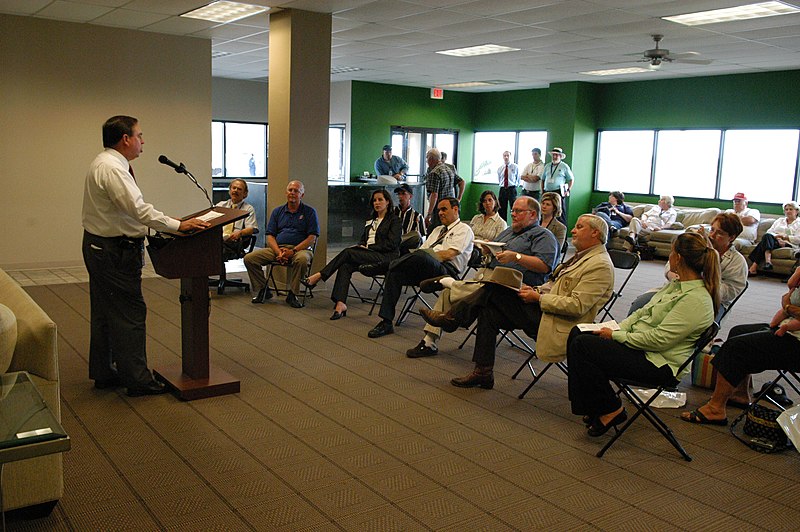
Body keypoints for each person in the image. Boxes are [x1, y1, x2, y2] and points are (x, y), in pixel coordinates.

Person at [82, 115, 209, 396]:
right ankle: (137, 380)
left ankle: (104, 372)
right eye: (139, 135)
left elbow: (129, 210)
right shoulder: (113, 169)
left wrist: (167, 220)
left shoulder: (105, 162)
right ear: (125, 139)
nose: (143, 141)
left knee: (105, 312)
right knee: (130, 314)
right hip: (114, 251)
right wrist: (177, 225)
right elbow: (138, 210)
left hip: (100, 246)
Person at [420, 215, 613, 389]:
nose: (573, 230)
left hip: (560, 323)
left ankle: (454, 317)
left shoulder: (599, 265)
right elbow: (554, 286)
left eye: (579, 227)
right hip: (545, 309)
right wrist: (535, 291)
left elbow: (576, 306)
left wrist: (538, 297)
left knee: (494, 290)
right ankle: (483, 372)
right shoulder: (582, 257)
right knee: (489, 311)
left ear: (595, 233)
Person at [567, 232, 719, 437]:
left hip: (658, 364)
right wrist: (618, 329)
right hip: (640, 347)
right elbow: (642, 313)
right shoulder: (677, 285)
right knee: (577, 332)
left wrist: (616, 337)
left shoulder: (696, 300)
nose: (669, 258)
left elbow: (659, 340)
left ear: (679, 258)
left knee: (583, 346)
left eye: (672, 253)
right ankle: (595, 405)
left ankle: (611, 408)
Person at [407, 197, 559, 358]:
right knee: (448, 293)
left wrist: (516, 257)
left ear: (533, 214)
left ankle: (449, 287)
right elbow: (495, 249)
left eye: (518, 211)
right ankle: (429, 341)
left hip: (515, 284)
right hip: (488, 274)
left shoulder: (543, 236)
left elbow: (545, 266)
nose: (513, 214)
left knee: (473, 289)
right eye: (513, 210)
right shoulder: (509, 231)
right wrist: (487, 248)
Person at [681, 267, 800, 425]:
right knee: (739, 331)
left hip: (796, 342)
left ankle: (715, 409)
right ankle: (740, 394)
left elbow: (788, 302)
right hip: (790, 329)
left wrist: (787, 307)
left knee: (736, 347)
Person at [368, 197, 473, 338]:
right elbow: (422, 250)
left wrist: (428, 255)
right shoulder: (437, 230)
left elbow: (449, 254)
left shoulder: (464, 229)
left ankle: (386, 265)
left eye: (444, 209)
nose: (440, 213)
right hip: (426, 269)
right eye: (438, 210)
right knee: (395, 273)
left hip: (446, 272)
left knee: (421, 256)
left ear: (455, 209)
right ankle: (386, 322)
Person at [303, 190, 401, 320]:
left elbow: (392, 244)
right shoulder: (371, 221)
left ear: (387, 202)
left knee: (348, 252)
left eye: (380, 200)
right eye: (374, 200)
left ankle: (319, 275)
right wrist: (361, 246)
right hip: (368, 255)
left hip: (385, 257)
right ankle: (340, 304)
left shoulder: (394, 220)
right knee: (345, 265)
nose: (376, 203)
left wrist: (367, 248)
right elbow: (362, 239)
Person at [628, 212, 747, 320]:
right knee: (639, 305)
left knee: (693, 321)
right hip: (676, 290)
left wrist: (698, 285)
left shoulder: (737, 262)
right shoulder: (697, 247)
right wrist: (674, 276)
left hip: (712, 301)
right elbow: (671, 265)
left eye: (719, 233)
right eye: (712, 230)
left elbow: (731, 291)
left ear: (732, 237)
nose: (712, 235)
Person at [245, 180, 320, 308]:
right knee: (249, 259)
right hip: (277, 248)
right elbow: (270, 236)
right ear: (286, 193)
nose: (292, 193)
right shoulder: (277, 211)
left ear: (302, 195)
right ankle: (264, 289)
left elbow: (312, 238)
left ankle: (293, 294)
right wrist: (279, 252)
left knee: (302, 260)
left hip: (300, 250)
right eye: (290, 190)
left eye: (296, 191)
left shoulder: (309, 212)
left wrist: (293, 251)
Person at [748, 200, 800, 274]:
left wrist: (785, 237)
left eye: (791, 209)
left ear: (796, 211)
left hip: (789, 244)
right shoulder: (779, 221)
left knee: (763, 243)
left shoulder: (798, 223)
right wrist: (778, 238)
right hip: (774, 241)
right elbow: (769, 231)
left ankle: (756, 266)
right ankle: (766, 263)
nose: (788, 211)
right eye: (786, 209)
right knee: (767, 236)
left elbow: (798, 239)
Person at [216, 178, 257, 260]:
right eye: (233, 188)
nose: (235, 191)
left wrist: (240, 233)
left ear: (245, 194)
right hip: (219, 238)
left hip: (235, 241)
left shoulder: (248, 209)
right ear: (229, 191)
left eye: (239, 189)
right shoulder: (220, 206)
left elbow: (251, 229)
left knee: (218, 250)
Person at [423, 148, 456, 233]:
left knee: (433, 233)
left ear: (431, 159)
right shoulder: (449, 169)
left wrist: (429, 214)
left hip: (439, 209)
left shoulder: (434, 173)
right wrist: (458, 199)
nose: (427, 162)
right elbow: (462, 182)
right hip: (449, 207)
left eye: (427, 159)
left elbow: (434, 195)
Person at [540, 147, 574, 225]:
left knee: (560, 212)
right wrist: (542, 190)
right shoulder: (547, 166)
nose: (555, 157)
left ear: (560, 156)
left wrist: (568, 190)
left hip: (558, 191)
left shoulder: (564, 166)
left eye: (557, 155)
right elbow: (542, 179)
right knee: (545, 212)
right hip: (547, 191)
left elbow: (571, 179)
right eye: (553, 155)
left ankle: (561, 232)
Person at [393, 183, 425, 254]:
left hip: (406, 247)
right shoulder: (392, 212)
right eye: (399, 194)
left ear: (410, 196)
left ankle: (396, 243)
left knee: (416, 235)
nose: (400, 197)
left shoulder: (417, 216)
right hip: (392, 243)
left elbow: (420, 238)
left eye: (403, 194)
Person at [496, 150, 520, 222]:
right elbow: (499, 179)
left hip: (511, 189)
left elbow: (518, 178)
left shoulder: (515, 167)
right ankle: (503, 224)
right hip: (503, 189)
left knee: (514, 207)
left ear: (510, 156)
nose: (506, 157)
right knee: (501, 208)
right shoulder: (500, 168)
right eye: (504, 156)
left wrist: (515, 186)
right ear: (503, 157)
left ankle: (516, 223)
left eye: (508, 155)